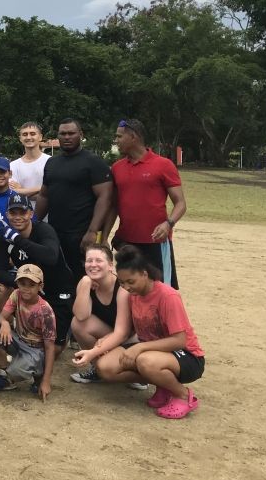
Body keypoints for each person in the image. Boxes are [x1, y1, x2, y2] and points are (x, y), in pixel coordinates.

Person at [91, 246, 205, 419]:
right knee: (105, 367)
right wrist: (105, 341)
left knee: (145, 360)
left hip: (187, 355)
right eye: (122, 283)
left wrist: (139, 348)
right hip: (153, 351)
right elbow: (127, 330)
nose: (126, 287)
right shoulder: (133, 296)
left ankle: (182, 394)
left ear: (144, 274)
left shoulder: (168, 296)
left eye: (131, 281)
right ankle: (163, 386)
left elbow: (180, 340)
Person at [105, 118, 187, 288]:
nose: (116, 141)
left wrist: (168, 224)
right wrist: (104, 237)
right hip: (126, 242)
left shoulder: (163, 165)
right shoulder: (117, 168)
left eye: (119, 136)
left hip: (156, 243)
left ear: (133, 137)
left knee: (160, 290)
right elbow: (113, 206)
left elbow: (180, 203)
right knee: (127, 289)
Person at [0, 193, 75, 351]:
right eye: (13, 213)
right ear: (7, 214)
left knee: (52, 349)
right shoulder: (5, 235)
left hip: (57, 290)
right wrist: (24, 283)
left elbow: (51, 257)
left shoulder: (43, 230)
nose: (17, 217)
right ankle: (8, 335)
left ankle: (66, 330)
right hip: (32, 291)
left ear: (30, 213)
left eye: (22, 212)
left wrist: (18, 240)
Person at [33, 118, 113, 283]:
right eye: (63, 134)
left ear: (81, 135)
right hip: (55, 233)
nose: (67, 137)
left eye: (71, 133)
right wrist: (33, 223)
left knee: (86, 279)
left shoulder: (93, 162)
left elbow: (105, 197)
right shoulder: (52, 162)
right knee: (59, 278)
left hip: (82, 234)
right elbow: (44, 196)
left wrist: (92, 231)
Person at [0, 265, 56, 400]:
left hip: (37, 350)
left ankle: (38, 376)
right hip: (20, 340)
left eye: (32, 284)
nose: (26, 288)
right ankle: (4, 372)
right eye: (22, 283)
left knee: (17, 371)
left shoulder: (45, 311)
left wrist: (47, 381)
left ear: (40, 286)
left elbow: (50, 347)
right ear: (17, 284)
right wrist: (4, 323)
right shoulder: (16, 294)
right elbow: (0, 316)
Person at [69, 244, 136, 384]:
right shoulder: (85, 282)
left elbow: (126, 331)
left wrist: (107, 338)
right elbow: (80, 316)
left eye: (99, 260)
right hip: (112, 331)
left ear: (111, 265)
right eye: (89, 261)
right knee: (78, 324)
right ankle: (97, 368)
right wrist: (86, 283)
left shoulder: (122, 288)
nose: (93, 265)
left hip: (132, 336)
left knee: (127, 339)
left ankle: (135, 373)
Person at [9, 121, 49, 202]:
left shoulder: (50, 162)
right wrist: (43, 188)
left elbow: (53, 192)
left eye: (33, 134)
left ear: (40, 137)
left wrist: (22, 190)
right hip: (21, 213)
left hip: (48, 213)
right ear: (20, 138)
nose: (28, 137)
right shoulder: (13, 165)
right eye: (25, 134)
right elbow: (12, 193)